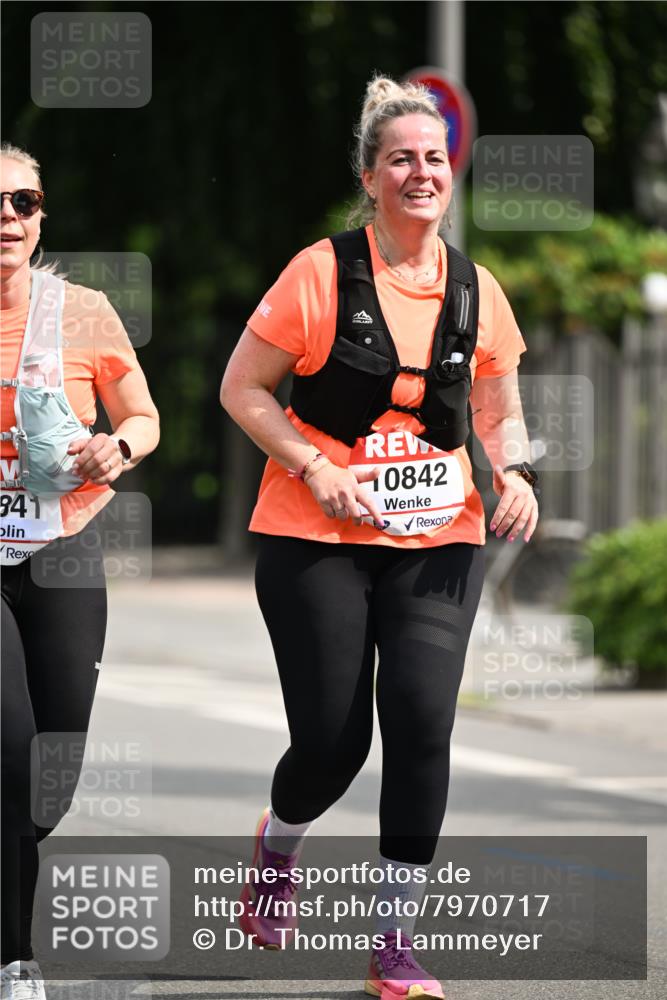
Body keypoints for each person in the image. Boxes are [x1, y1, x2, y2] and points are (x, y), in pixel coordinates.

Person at [220, 75, 539, 999]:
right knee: (330, 743)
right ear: (369, 176)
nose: (419, 173)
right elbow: (242, 388)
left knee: (422, 723)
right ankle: (278, 849)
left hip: (439, 536)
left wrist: (511, 473)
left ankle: (393, 944)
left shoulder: (477, 289)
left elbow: (496, 403)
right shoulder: (319, 274)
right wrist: (315, 465)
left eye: (434, 158)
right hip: (313, 535)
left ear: (452, 171)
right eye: (399, 158)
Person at [0, 144, 159, 999]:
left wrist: (117, 446)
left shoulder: (84, 312)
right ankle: (13, 959)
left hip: (62, 547)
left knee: (49, 780)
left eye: (23, 202)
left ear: (40, 216)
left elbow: (143, 414)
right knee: (8, 752)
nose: (7, 218)